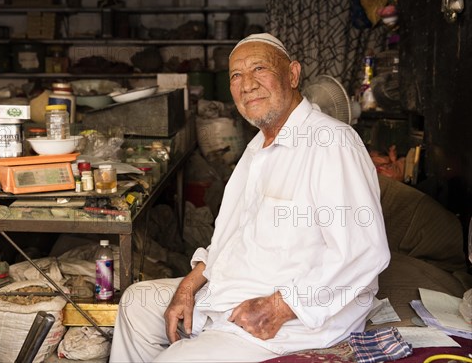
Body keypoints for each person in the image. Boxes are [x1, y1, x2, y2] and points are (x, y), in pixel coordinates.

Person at [109, 33, 391, 362]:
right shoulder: (257, 148)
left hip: (293, 321)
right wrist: (188, 286)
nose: (248, 84)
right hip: (234, 294)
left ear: (293, 74)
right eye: (236, 76)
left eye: (259, 69)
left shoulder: (331, 142)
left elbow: (363, 251)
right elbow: (231, 238)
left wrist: (281, 307)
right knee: (135, 304)